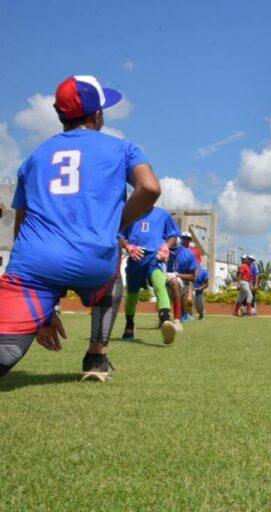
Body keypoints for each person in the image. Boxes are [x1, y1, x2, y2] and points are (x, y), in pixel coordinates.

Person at [0, 75, 161, 381]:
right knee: (112, 283)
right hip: (93, 263)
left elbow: (21, 223)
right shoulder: (122, 148)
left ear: (60, 114)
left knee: (5, 351)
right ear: (97, 114)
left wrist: (42, 316)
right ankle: (96, 359)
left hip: (34, 264)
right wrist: (116, 224)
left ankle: (27, 325)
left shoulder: (33, 158)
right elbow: (150, 188)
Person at [119, 207, 180, 343]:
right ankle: (129, 324)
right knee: (132, 294)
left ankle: (165, 322)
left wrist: (166, 246)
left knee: (159, 283)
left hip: (154, 257)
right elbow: (120, 235)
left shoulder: (163, 215)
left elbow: (173, 236)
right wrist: (128, 246)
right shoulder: (129, 213)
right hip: (135, 257)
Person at [166, 244, 199, 324]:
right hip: (168, 280)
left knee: (190, 294)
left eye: (187, 239)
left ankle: (185, 313)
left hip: (185, 281)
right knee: (171, 286)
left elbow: (194, 274)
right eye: (184, 238)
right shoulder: (163, 251)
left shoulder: (192, 253)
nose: (186, 241)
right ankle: (165, 316)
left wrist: (177, 275)